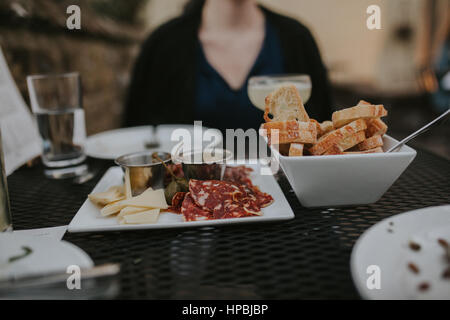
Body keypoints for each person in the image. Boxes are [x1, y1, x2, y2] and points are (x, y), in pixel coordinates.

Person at [124, 0, 332, 131]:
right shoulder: (163, 45)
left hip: (285, 196)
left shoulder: (296, 39)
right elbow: (136, 139)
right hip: (187, 197)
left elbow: (323, 134)